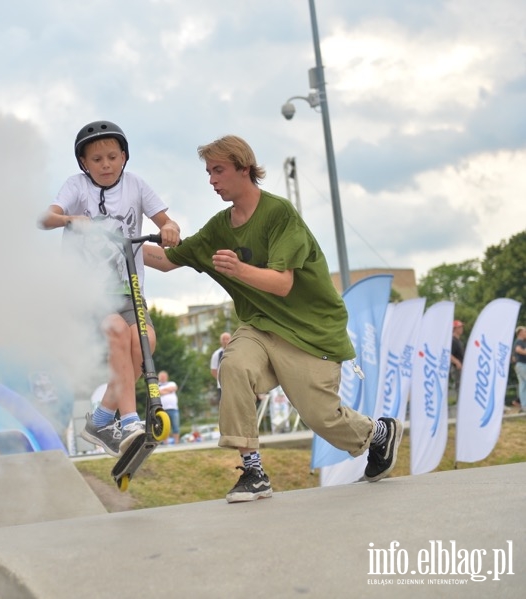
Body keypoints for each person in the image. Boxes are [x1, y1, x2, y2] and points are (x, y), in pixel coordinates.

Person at [143, 134, 402, 503]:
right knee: (234, 367)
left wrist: (238, 269)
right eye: (208, 173)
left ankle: (377, 434)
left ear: (244, 169)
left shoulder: (279, 215)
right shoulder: (220, 226)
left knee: (322, 418)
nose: (212, 180)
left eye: (218, 171)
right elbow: (168, 260)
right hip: (259, 327)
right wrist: (118, 243)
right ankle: (253, 470)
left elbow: (282, 284)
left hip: (309, 333)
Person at [38, 120, 180, 457]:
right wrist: (70, 220)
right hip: (89, 291)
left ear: (124, 157)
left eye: (112, 157)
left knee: (144, 343)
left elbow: (165, 221)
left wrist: (171, 228)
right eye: (97, 159)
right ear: (84, 163)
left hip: (128, 288)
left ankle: (101, 420)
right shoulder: (76, 187)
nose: (105, 165)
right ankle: (129, 420)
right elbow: (44, 218)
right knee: (118, 332)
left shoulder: (136, 186)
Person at [158, 371, 180, 444]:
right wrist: (167, 390)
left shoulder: (172, 383)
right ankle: (166, 443)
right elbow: (159, 392)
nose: (163, 378)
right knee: (165, 428)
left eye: (164, 376)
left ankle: (176, 442)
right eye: (161, 376)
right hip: (163, 409)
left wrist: (163, 391)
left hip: (174, 408)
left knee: (175, 427)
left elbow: (173, 388)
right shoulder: (157, 385)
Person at [514, 326, 526, 413]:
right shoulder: (519, 341)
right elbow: (518, 350)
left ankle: (524, 405)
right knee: (523, 386)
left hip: (519, 365)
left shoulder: (520, 342)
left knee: (523, 386)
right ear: (520, 333)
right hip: (522, 365)